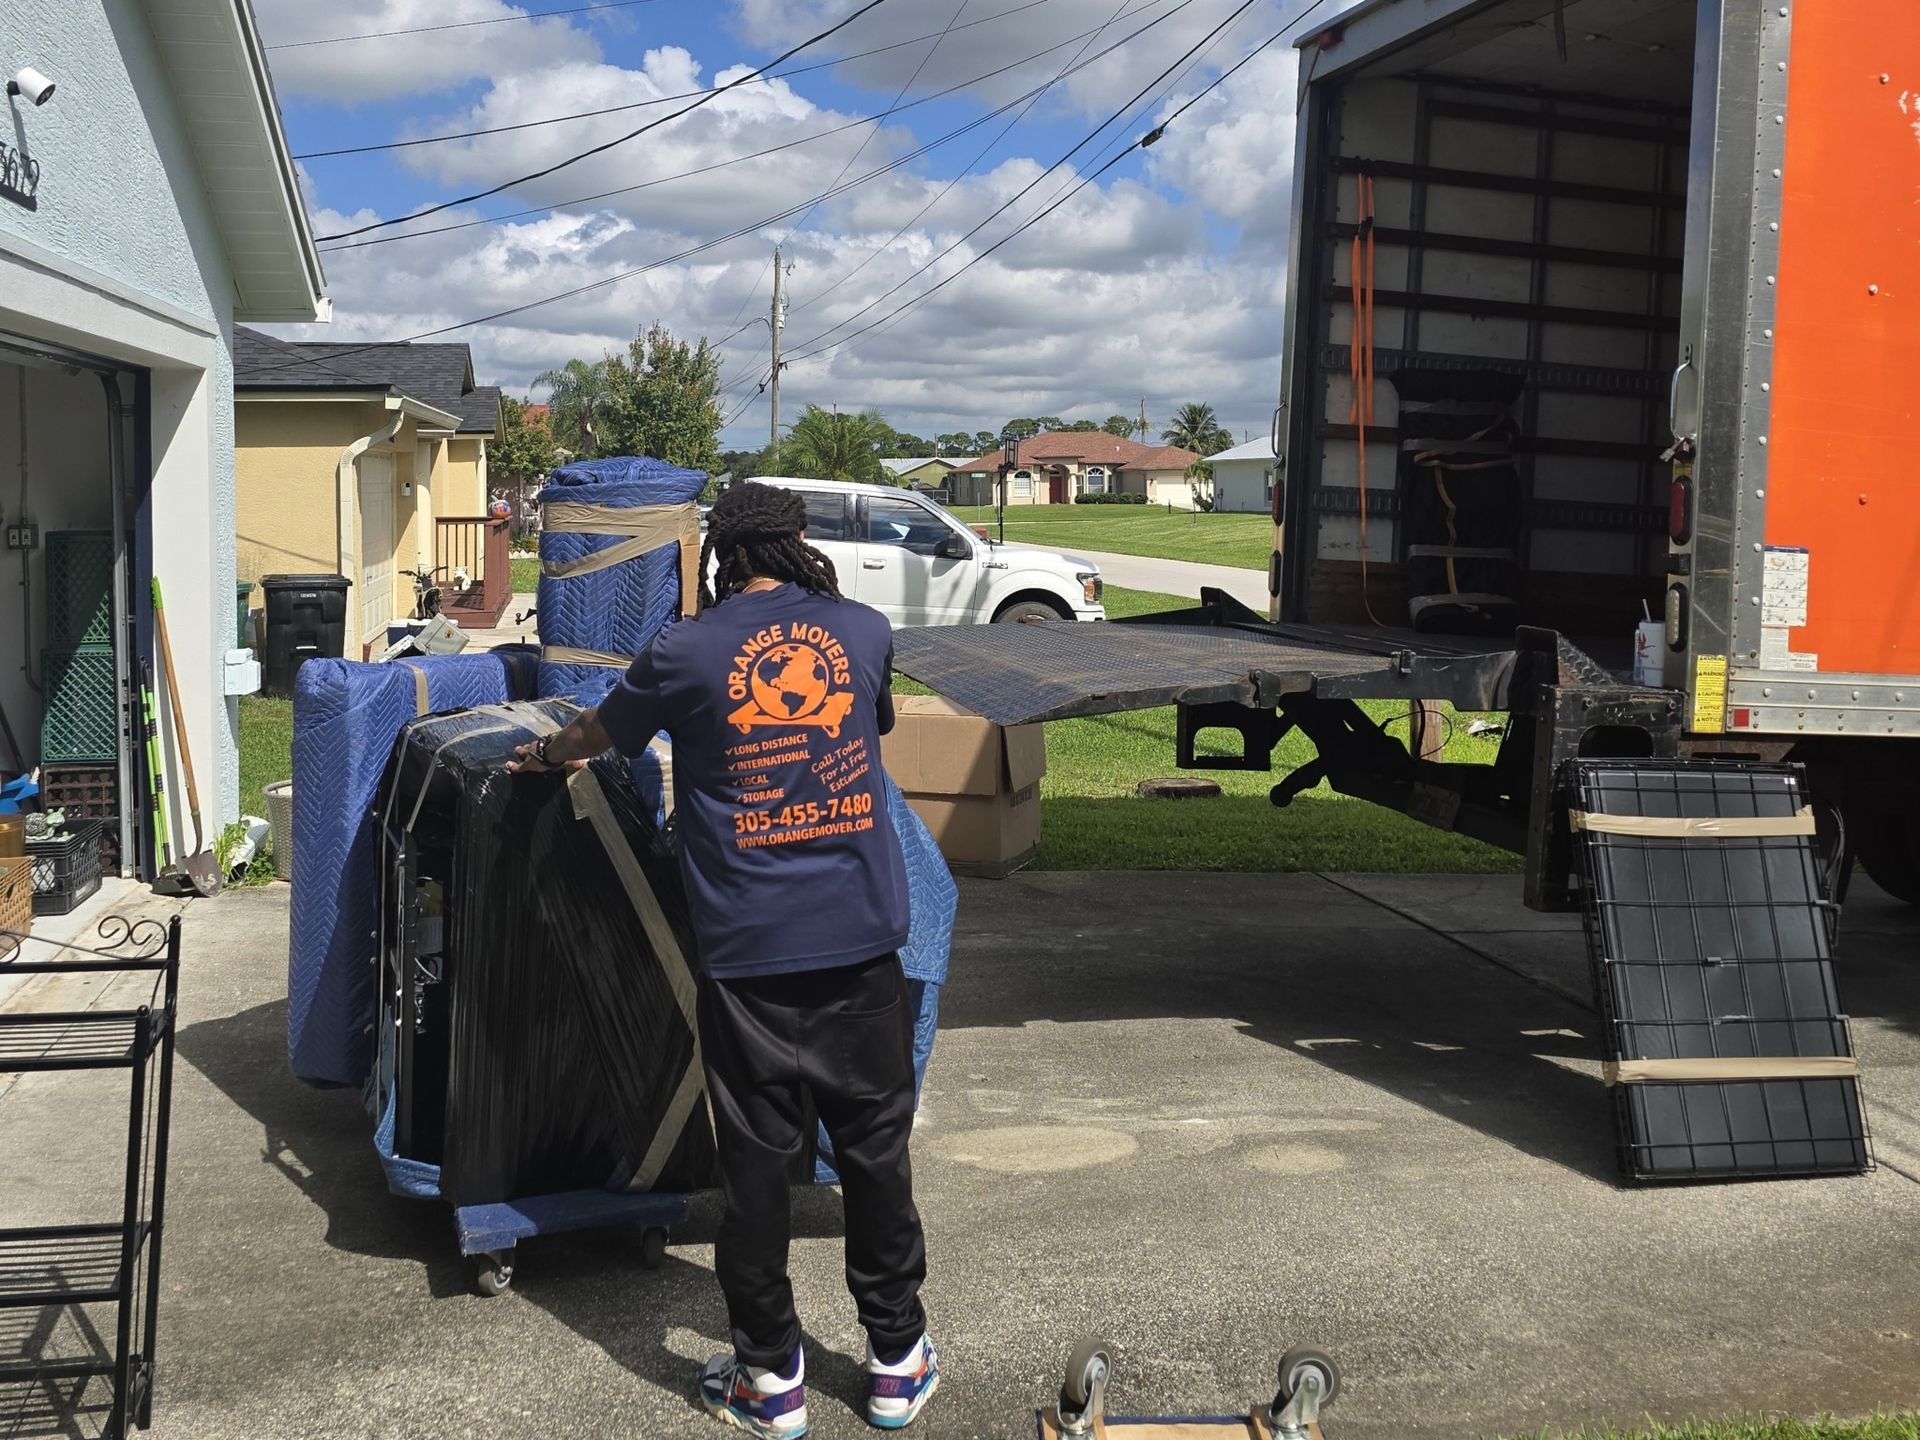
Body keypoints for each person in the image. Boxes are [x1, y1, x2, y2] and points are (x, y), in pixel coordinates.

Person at [508, 482, 937, 1437]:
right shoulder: (861, 630)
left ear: (716, 557)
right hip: (861, 942)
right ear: (799, 545)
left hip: (746, 953)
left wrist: (548, 760)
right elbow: (871, 724)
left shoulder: (683, 650)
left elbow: (595, 735)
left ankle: (771, 1380)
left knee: (754, 1164)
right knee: (875, 1154)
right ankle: (898, 1361)